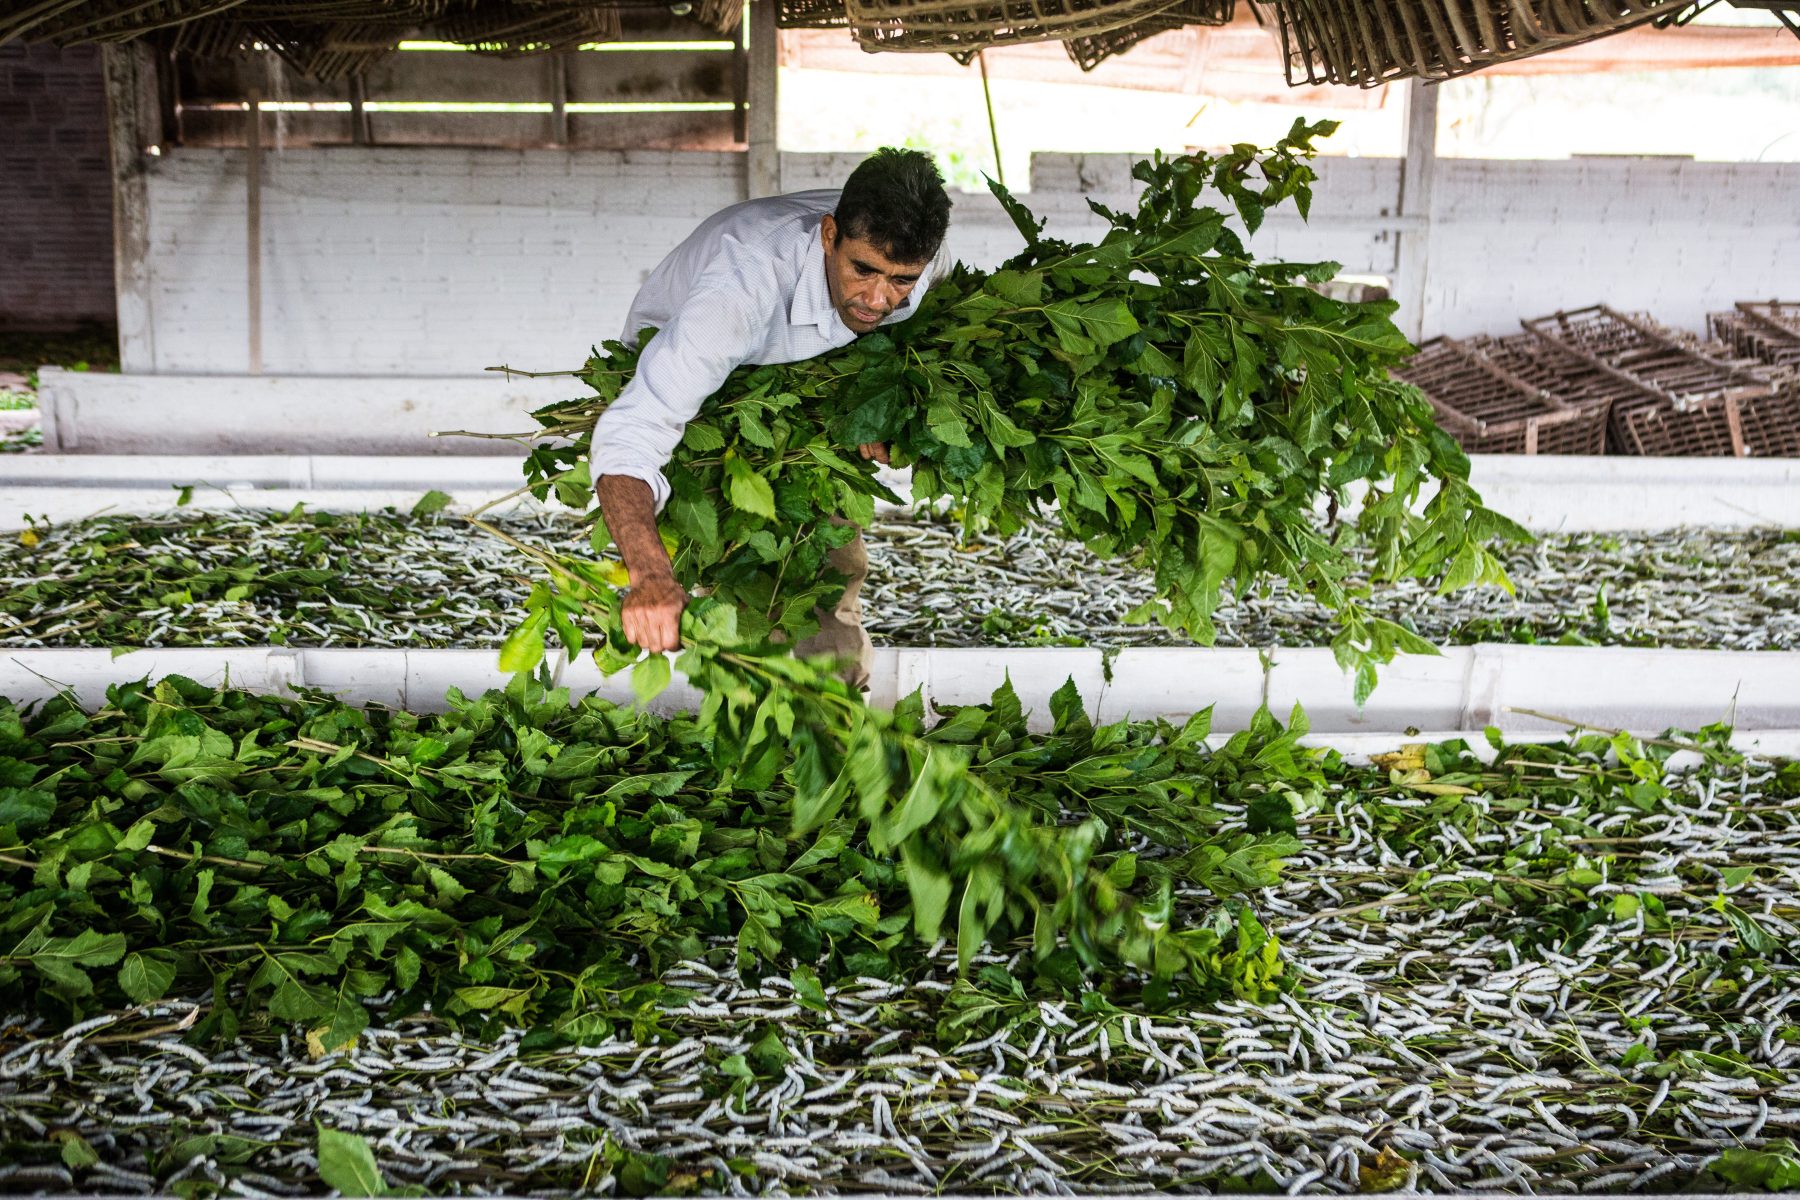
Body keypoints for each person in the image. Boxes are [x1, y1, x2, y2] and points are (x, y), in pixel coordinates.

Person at [590, 148, 953, 688]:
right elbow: (633, 434)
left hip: (807, 393)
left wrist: (883, 407)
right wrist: (649, 575)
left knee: (825, 571)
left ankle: (827, 719)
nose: (879, 299)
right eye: (863, 271)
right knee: (731, 572)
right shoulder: (739, 293)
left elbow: (910, 333)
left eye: (900, 280)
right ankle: (748, 710)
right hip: (709, 402)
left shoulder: (925, 267)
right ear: (829, 236)